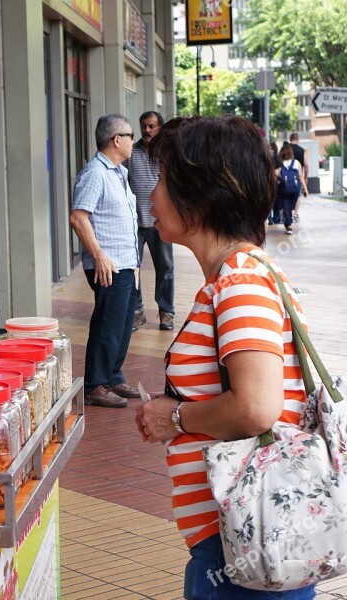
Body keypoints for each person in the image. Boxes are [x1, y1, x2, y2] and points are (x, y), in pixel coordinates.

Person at [135, 115, 314, 600]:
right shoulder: (234, 277)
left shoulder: (241, 281)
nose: (151, 195)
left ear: (202, 192)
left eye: (163, 181)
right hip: (239, 539)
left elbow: (257, 407)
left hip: (242, 543)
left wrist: (172, 417)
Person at [69, 114, 141, 409]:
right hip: (108, 263)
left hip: (125, 261)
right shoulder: (95, 173)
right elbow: (78, 216)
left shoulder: (118, 172)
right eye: (131, 135)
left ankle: (112, 376)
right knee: (108, 325)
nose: (133, 142)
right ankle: (95, 384)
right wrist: (98, 255)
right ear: (117, 140)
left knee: (124, 324)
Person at [126, 110, 174, 332]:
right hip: (134, 222)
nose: (147, 130)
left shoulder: (166, 153)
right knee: (132, 268)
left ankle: (166, 313)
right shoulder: (130, 153)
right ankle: (137, 312)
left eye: (151, 126)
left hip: (160, 221)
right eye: (144, 126)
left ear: (160, 128)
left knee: (165, 268)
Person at [276, 143, 307, 235]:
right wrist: (305, 188)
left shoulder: (280, 164)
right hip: (295, 189)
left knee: (286, 207)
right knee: (290, 207)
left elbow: (276, 174)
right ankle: (289, 219)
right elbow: (301, 177)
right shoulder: (296, 163)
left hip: (284, 189)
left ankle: (288, 224)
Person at [288, 132, 309, 221]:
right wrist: (305, 176)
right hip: (297, 176)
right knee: (298, 195)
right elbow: (306, 164)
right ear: (298, 140)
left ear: (290, 139)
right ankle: (295, 214)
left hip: (286, 175)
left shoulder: (286, 149)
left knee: (286, 194)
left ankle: (286, 212)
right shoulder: (302, 150)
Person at [268, 141, 282, 225]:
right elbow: (278, 171)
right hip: (276, 183)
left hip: (268, 183)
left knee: (270, 201)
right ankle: (276, 217)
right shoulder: (277, 158)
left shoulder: (268, 158)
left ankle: (270, 218)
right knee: (276, 201)